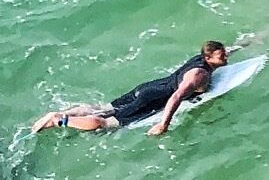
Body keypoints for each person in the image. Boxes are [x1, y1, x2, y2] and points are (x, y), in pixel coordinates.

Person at [33, 40, 231, 137]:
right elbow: (176, 97)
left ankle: (60, 113)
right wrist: (164, 124)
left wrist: (249, 42)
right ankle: (60, 120)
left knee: (104, 107)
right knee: (106, 122)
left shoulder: (201, 59)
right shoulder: (200, 75)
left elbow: (229, 49)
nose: (225, 58)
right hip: (153, 99)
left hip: (148, 88)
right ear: (208, 58)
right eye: (222, 56)